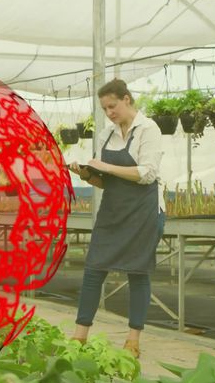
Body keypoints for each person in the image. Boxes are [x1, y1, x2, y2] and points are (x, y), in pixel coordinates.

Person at [67, 79, 165, 358]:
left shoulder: (149, 129)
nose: (109, 112)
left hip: (143, 211)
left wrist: (104, 165)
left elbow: (147, 173)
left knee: (138, 271)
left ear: (127, 99)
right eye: (104, 108)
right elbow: (105, 181)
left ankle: (133, 340)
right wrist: (85, 173)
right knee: (93, 268)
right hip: (113, 210)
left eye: (112, 106)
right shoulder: (106, 135)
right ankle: (79, 336)